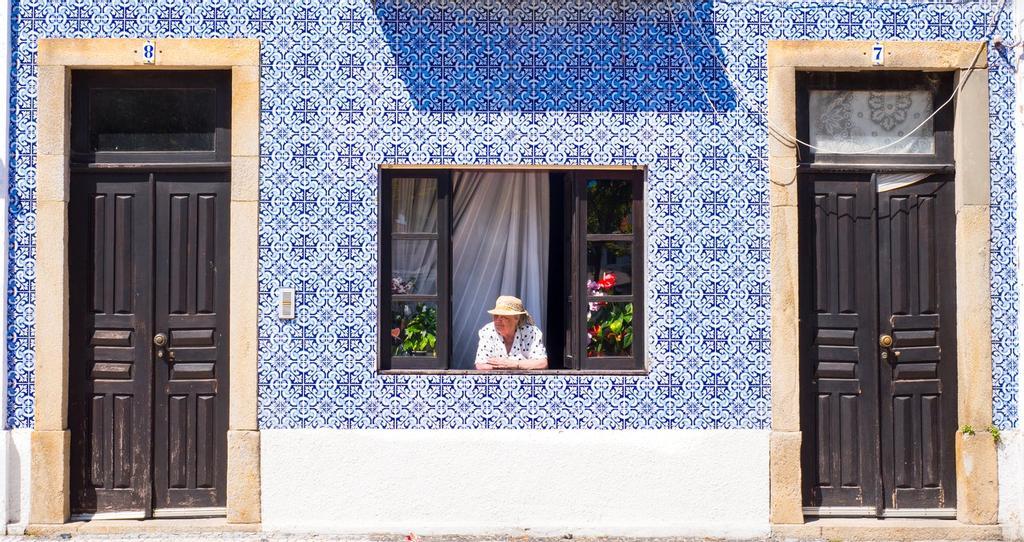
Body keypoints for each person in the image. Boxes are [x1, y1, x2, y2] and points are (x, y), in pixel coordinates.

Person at [474, 295, 548, 370]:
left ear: (516, 318)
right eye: (496, 316)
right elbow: (481, 364)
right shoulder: (488, 331)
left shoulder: (531, 332)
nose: (498, 320)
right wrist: (506, 367)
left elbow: (542, 363)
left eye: (503, 316)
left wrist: (515, 364)